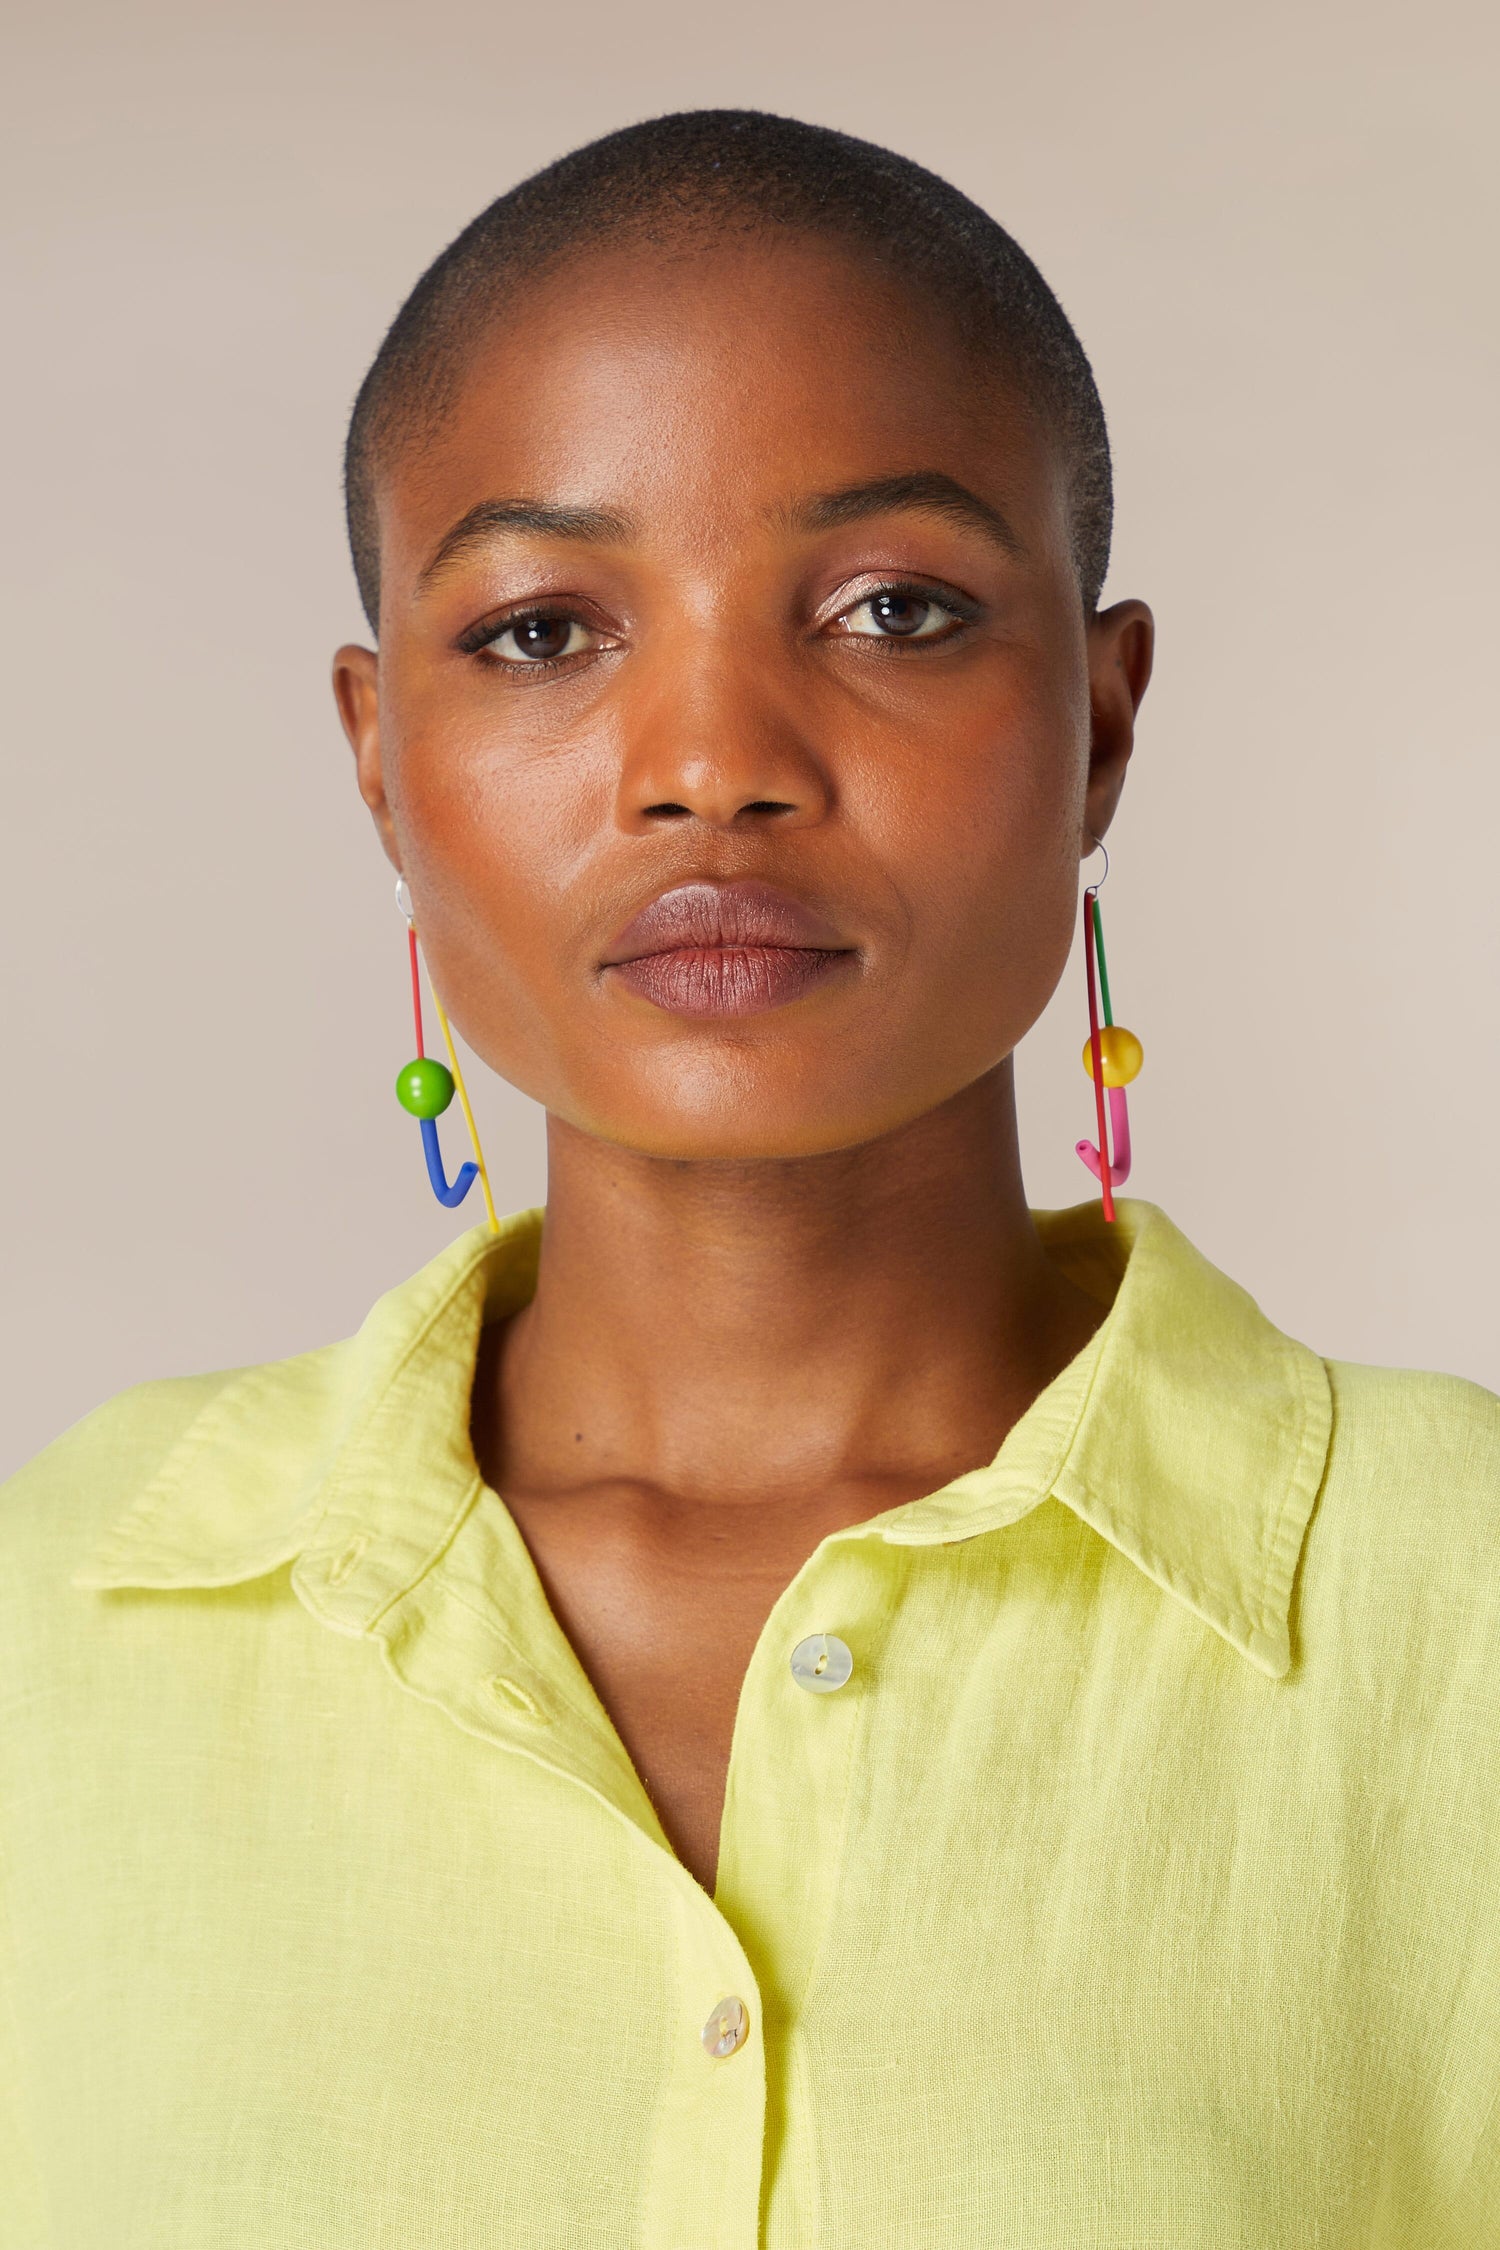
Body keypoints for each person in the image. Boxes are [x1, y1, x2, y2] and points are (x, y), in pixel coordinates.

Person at [2, 109, 1496, 2250]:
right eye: (541, 633)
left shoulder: (1461, 1612)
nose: (713, 759)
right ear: (374, 762)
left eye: (895, 607)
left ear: (1100, 722)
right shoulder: (54, 1630)